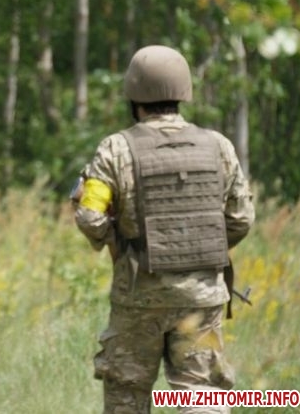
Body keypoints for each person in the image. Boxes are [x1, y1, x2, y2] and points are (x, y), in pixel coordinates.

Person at [72, 45, 255, 413]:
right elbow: (241, 219)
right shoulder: (218, 146)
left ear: (133, 95)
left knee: (127, 396)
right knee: (202, 395)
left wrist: (118, 244)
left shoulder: (116, 149)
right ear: (183, 91)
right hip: (202, 297)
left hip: (139, 295)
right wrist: (203, 249)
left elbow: (90, 216)